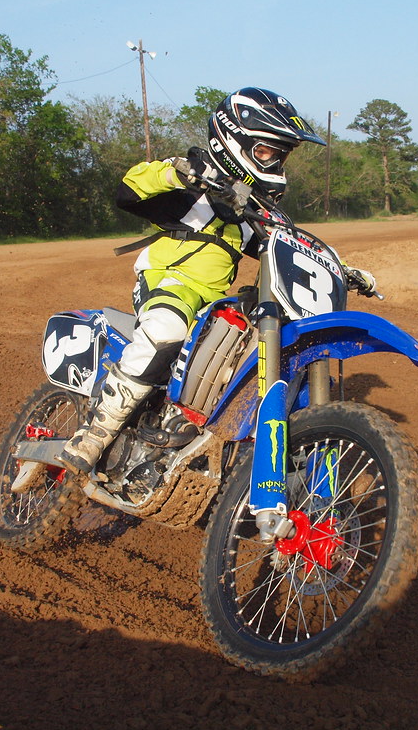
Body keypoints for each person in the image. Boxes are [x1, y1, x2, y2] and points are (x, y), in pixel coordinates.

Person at [55, 87, 373, 477]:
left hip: (212, 302)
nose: (275, 162)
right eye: (267, 152)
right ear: (236, 139)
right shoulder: (193, 182)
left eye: (281, 155)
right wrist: (177, 172)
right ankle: (95, 433)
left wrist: (341, 268)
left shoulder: (254, 212)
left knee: (243, 352)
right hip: (168, 281)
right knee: (166, 328)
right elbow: (130, 190)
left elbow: (290, 244)